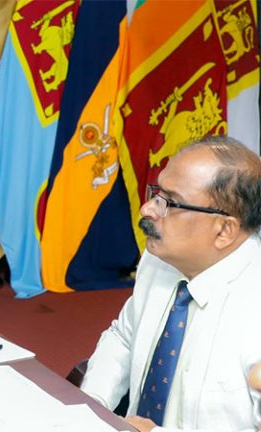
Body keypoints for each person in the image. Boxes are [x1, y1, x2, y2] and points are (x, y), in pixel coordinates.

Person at [80, 135, 261, 431]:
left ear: (224, 230)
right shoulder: (160, 257)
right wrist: (91, 404)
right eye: (156, 193)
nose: (148, 210)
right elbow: (125, 336)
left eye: (171, 203)